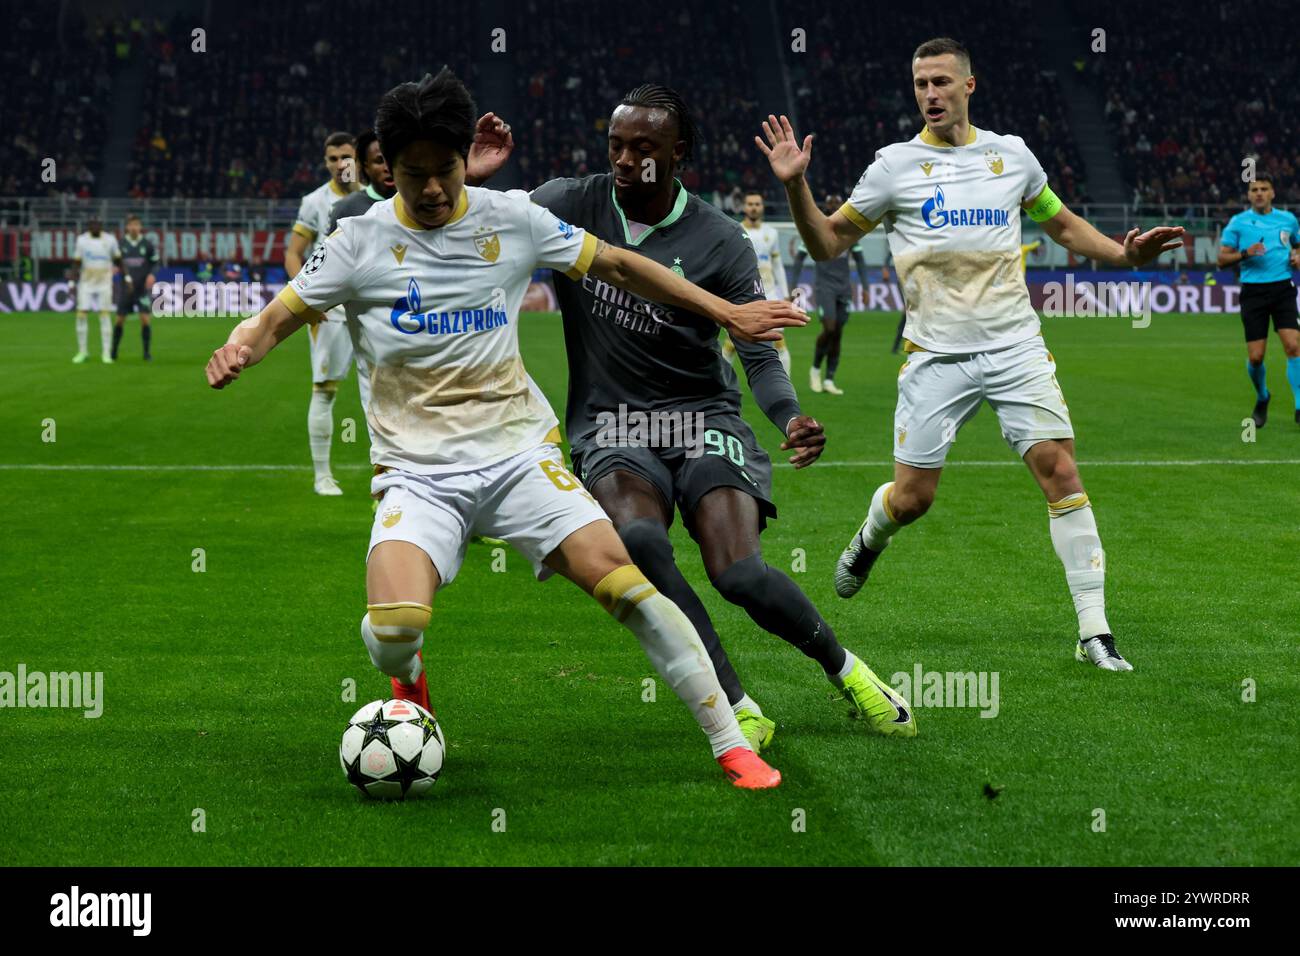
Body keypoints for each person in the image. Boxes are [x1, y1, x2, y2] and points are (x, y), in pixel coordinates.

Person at [206, 69, 806, 788]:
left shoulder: (510, 218)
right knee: (396, 630)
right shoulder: (358, 241)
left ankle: (731, 743)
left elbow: (618, 263)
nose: (430, 190)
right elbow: (278, 315)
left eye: (444, 171)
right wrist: (243, 343)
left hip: (521, 455)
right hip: (418, 473)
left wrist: (726, 312)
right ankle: (410, 684)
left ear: (466, 159)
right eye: (411, 175)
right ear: (384, 170)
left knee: (630, 590)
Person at [759, 37, 1184, 672]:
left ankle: (1094, 630)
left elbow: (1062, 224)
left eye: (940, 82)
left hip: (1016, 344)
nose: (929, 94)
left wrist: (1124, 256)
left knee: (1061, 474)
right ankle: (871, 535)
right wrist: (797, 189)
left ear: (968, 86)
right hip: (936, 354)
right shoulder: (893, 167)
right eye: (920, 85)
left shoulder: (1011, 156)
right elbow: (826, 244)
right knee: (913, 499)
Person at [531, 84, 917, 748]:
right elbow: (475, 220)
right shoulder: (570, 202)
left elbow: (758, 353)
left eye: (643, 150)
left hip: (702, 417)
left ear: (677, 154)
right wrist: (474, 179)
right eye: (616, 146)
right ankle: (735, 701)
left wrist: (790, 416)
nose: (625, 161)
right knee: (641, 543)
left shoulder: (721, 240)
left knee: (736, 571)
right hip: (612, 425)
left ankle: (848, 671)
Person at [286, 131, 361, 495]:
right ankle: (322, 475)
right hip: (331, 311)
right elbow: (292, 253)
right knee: (325, 390)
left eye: (345, 157)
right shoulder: (315, 201)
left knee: (392, 386)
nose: (339, 164)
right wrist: (308, 302)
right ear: (325, 161)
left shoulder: (378, 195)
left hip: (374, 305)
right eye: (332, 158)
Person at [1216, 175, 1300, 427]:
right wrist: (1245, 253)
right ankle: (1263, 397)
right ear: (1249, 195)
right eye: (1255, 189)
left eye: (1264, 189)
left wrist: (1297, 256)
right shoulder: (1238, 223)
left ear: (1273, 193)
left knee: (1293, 347)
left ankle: (1299, 406)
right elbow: (1221, 260)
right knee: (1255, 357)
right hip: (1253, 293)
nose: (1260, 193)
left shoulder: (1288, 219)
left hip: (1283, 288)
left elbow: (1298, 246)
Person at [790, 192, 869, 394]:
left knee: (838, 334)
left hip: (844, 287)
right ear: (825, 207)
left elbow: (860, 260)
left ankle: (829, 380)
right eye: (830, 203)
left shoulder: (848, 233)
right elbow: (799, 258)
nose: (834, 206)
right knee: (829, 328)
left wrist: (866, 287)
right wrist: (794, 286)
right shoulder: (815, 232)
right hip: (824, 287)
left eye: (837, 203)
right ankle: (815, 370)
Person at [720, 191, 793, 378]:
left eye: (757, 204)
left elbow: (777, 264)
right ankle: (720, 383)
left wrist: (785, 293)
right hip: (743, 293)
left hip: (769, 293)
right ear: (744, 207)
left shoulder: (772, 233)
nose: (754, 207)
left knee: (778, 341)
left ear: (762, 207)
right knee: (732, 342)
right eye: (750, 204)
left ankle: (786, 387)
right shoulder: (734, 230)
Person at [71, 217, 121, 364]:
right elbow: (77, 262)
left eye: (97, 224)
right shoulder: (82, 240)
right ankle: (82, 351)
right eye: (92, 224)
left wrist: (127, 278)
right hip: (86, 282)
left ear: (101, 226)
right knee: (81, 315)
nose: (95, 226)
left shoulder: (110, 240)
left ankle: (106, 353)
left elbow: (118, 259)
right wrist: (71, 282)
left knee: (104, 316)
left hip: (104, 282)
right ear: (88, 226)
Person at [113, 214, 158, 361]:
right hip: (126, 288)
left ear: (140, 227)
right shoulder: (121, 244)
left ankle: (146, 353)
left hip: (141, 289)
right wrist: (114, 268)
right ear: (127, 227)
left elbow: (154, 262)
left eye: (137, 225)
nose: (134, 227)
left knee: (145, 319)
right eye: (131, 225)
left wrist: (151, 274)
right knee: (119, 320)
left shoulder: (147, 244)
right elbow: (115, 262)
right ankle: (113, 351)